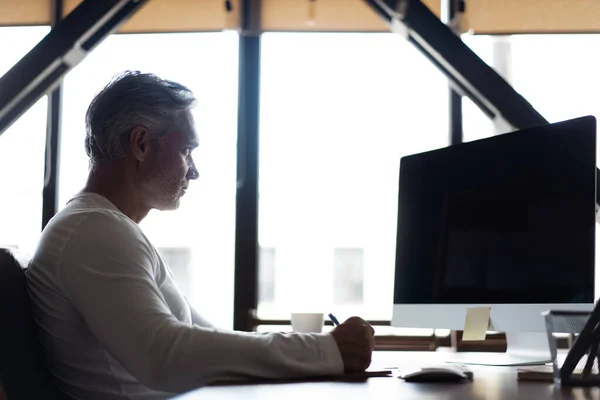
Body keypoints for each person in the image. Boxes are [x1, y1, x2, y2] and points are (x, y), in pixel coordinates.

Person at [27, 71, 375, 400]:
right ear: (141, 144)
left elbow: (207, 339)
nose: (194, 171)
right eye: (186, 151)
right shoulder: (92, 230)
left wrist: (320, 348)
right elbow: (163, 355)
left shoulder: (106, 228)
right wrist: (325, 350)